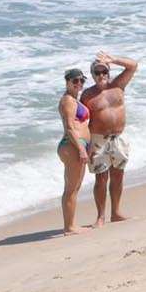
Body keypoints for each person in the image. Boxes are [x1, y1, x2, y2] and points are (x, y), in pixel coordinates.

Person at [80, 51, 138, 225]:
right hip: (98, 140)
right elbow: (82, 122)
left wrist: (113, 59)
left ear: (109, 72)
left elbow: (133, 65)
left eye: (104, 71)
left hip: (118, 138)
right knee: (101, 178)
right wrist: (85, 144)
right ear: (92, 75)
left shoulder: (118, 85)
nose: (101, 75)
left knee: (118, 176)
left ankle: (116, 212)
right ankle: (100, 216)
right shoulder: (87, 95)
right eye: (97, 73)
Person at [56, 68, 91, 235]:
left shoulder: (75, 100)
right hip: (72, 146)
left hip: (79, 145)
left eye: (81, 81)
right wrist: (81, 149)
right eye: (74, 81)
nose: (78, 84)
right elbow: (70, 128)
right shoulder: (68, 101)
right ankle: (69, 227)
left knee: (75, 187)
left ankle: (71, 224)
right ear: (67, 82)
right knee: (71, 188)